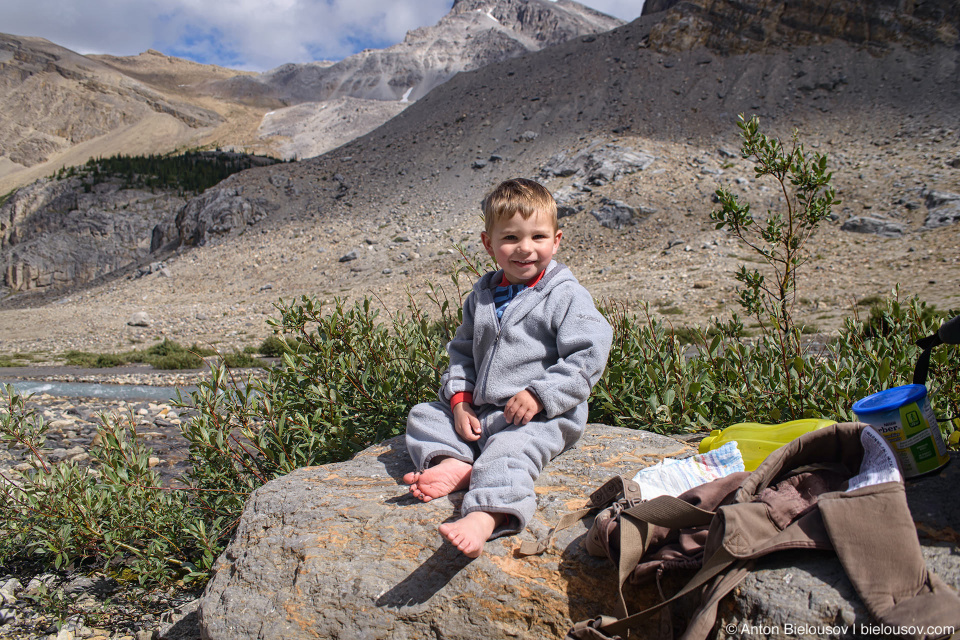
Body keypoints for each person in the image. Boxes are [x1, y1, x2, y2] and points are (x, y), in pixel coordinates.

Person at [403, 177, 613, 558]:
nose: (525, 249)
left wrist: (541, 394)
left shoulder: (565, 295)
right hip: (484, 410)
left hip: (541, 415)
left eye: (538, 237)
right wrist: (460, 400)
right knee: (424, 415)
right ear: (488, 244)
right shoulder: (481, 296)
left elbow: (589, 355)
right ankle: (457, 463)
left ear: (557, 239)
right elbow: (462, 353)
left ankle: (486, 515)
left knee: (511, 450)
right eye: (511, 238)